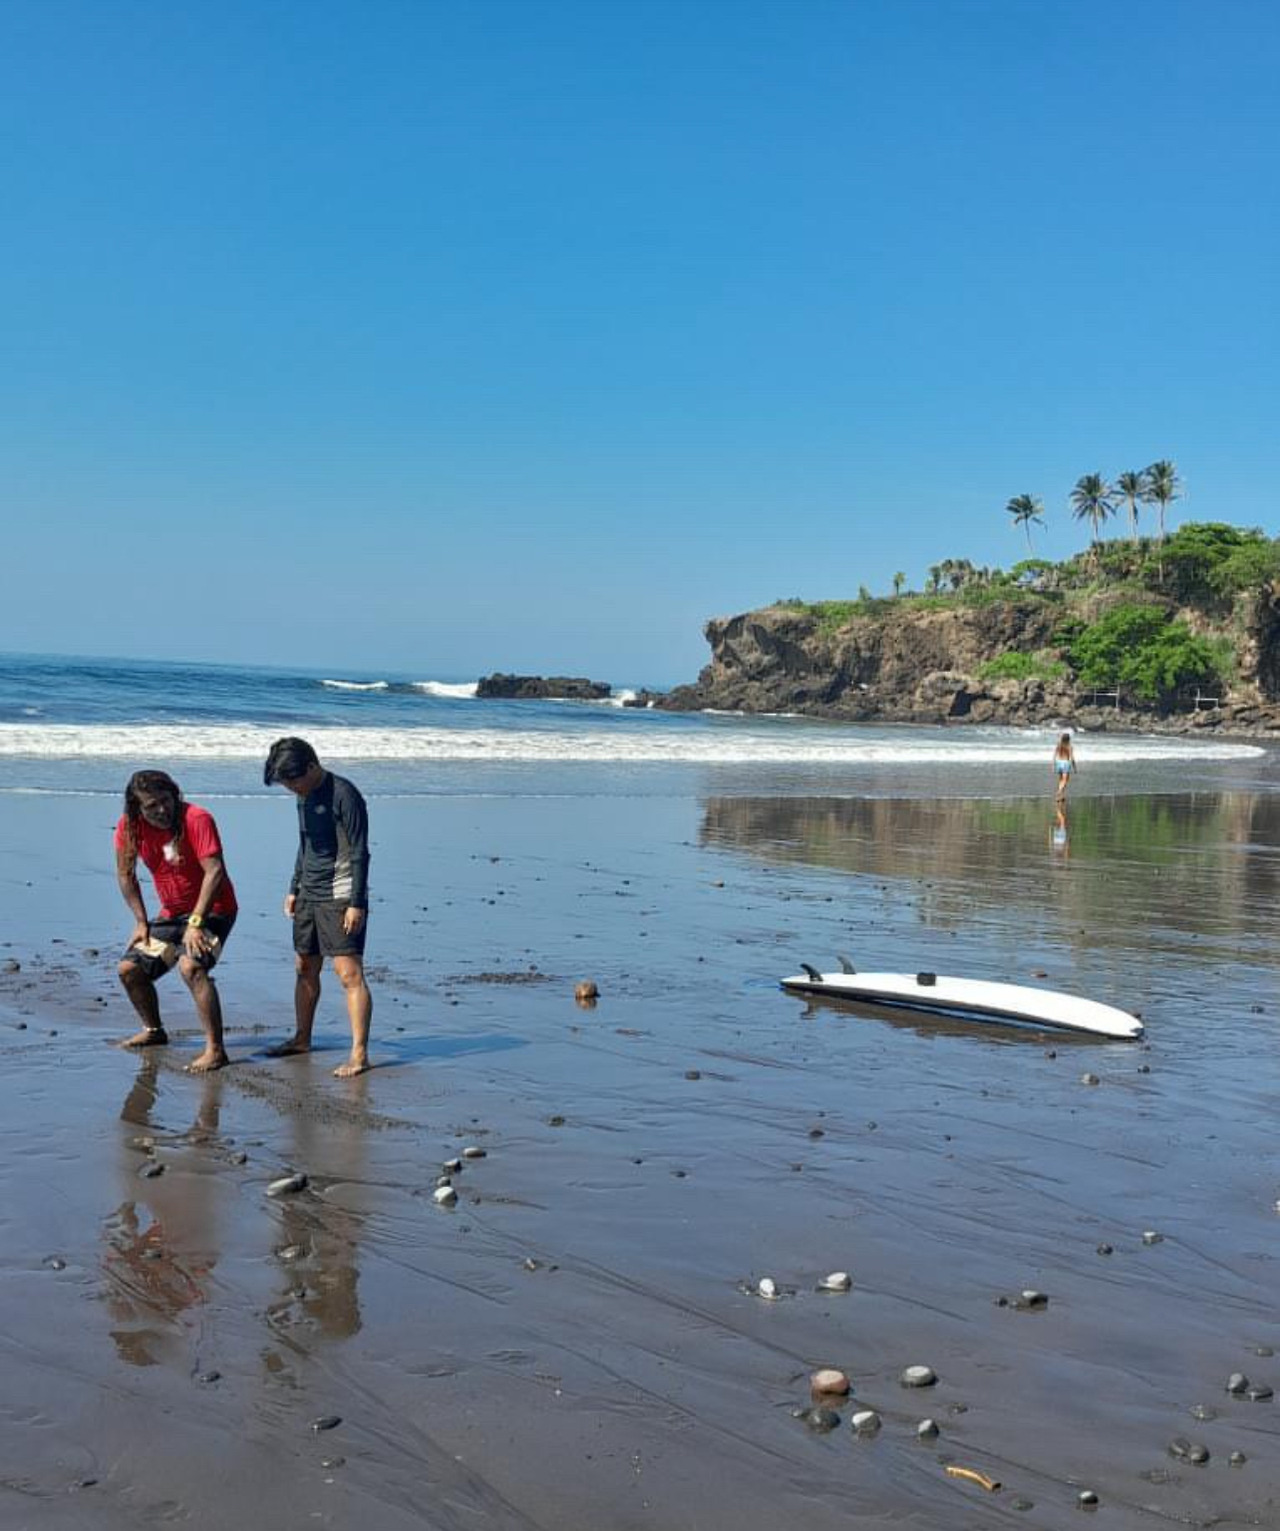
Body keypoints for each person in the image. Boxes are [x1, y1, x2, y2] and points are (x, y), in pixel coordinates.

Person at [263, 737, 373, 1078]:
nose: (290, 788)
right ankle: (302, 1038)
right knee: (305, 967)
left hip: (340, 893)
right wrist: (294, 887)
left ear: (312, 766)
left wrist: (357, 903)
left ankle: (359, 1054)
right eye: (285, 783)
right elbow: (305, 843)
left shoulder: (344, 794)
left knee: (348, 973)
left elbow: (360, 851)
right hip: (309, 893)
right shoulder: (303, 795)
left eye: (292, 781)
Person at [114, 770, 237, 1072]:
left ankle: (216, 1050)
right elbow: (126, 874)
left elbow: (214, 872)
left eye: (166, 801)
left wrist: (196, 923)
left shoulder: (196, 818)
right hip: (172, 914)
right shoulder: (129, 827)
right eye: (151, 805)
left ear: (175, 795)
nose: (161, 810)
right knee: (129, 970)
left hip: (214, 910)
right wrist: (141, 921)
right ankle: (154, 1031)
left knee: (191, 966)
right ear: (137, 808)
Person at [1053, 731, 1077, 802]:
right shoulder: (1069, 746)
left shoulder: (1059, 745)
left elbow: (1054, 755)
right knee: (1065, 780)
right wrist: (1074, 767)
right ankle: (1059, 792)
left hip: (1059, 762)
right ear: (1069, 739)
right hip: (1066, 763)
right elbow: (1072, 758)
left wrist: (1053, 765)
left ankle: (1061, 796)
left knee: (1061, 780)